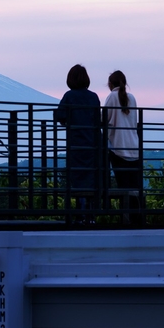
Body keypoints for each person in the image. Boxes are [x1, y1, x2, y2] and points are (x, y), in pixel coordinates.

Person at [53, 64, 103, 225]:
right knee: (92, 177)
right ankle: (91, 214)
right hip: (94, 144)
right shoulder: (93, 97)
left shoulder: (69, 96)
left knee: (77, 177)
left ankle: (80, 215)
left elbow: (60, 115)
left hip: (76, 144)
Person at [104, 70, 143, 224]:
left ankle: (125, 218)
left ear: (110, 84)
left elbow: (104, 119)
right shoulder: (131, 98)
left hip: (118, 148)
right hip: (134, 147)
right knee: (134, 189)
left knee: (123, 187)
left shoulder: (111, 97)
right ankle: (137, 219)